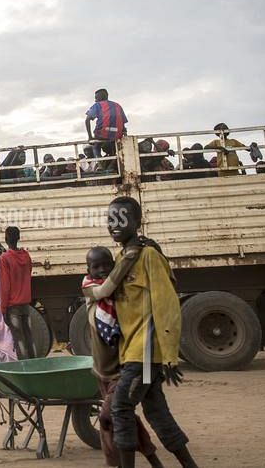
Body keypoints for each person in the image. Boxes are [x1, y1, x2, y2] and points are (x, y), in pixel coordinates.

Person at [104, 196, 197, 468]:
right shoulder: (123, 258)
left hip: (144, 355)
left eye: (122, 219)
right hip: (132, 353)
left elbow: (166, 306)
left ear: (137, 222)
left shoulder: (149, 257)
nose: (115, 225)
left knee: (121, 407)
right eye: (111, 219)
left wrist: (169, 355)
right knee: (157, 412)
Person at [81, 247, 163, 468]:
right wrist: (127, 259)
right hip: (101, 372)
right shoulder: (90, 288)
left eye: (107, 265)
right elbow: (104, 290)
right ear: (88, 269)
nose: (101, 270)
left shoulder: (122, 293)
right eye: (95, 266)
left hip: (120, 371)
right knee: (123, 419)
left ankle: (123, 463)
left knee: (108, 417)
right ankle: (152, 459)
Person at [0, 226, 35, 360]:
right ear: (19, 238)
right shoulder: (26, 256)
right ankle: (35, 366)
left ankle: (25, 368)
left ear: (6, 238)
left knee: (19, 339)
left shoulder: (4, 258)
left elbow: (5, 286)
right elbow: (28, 273)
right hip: (25, 303)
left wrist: (3, 308)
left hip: (12, 305)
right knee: (29, 337)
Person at [85, 88, 128, 160]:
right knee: (114, 150)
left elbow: (87, 120)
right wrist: (125, 136)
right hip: (117, 134)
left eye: (96, 98)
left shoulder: (97, 105)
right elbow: (123, 123)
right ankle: (114, 160)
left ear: (101, 97)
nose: (95, 100)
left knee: (95, 146)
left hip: (103, 133)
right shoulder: (118, 105)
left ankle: (100, 164)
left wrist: (90, 137)